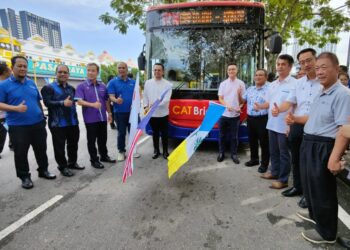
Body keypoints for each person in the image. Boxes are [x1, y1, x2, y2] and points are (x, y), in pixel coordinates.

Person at [295, 52, 350, 244]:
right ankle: (317, 218)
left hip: (323, 146)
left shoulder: (342, 94)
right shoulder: (322, 91)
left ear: (337, 68)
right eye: (317, 68)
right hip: (309, 142)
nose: (319, 71)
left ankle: (327, 233)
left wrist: (334, 157)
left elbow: (344, 129)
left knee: (323, 190)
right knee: (311, 186)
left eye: (324, 67)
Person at [272, 48, 321, 208]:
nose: (306, 64)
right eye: (302, 62)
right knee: (297, 160)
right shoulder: (299, 83)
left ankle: (309, 194)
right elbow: (290, 102)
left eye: (309, 60)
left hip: (317, 128)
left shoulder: (324, 82)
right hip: (297, 125)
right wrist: (280, 109)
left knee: (311, 163)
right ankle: (298, 187)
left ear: (316, 60)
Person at [0, 56, 56, 189]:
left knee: (41, 149)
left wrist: (42, 117)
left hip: (37, 123)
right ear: (12, 67)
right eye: (19, 66)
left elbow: (37, 100)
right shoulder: (4, 85)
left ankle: (43, 170)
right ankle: (24, 177)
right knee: (20, 153)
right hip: (18, 126)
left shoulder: (31, 83)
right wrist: (16, 108)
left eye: (25, 66)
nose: (22, 68)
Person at [257, 54, 297, 189]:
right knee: (273, 151)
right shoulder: (272, 84)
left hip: (285, 125)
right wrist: (260, 107)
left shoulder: (295, 84)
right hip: (272, 123)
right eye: (278, 64)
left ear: (290, 67)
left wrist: (279, 111)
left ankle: (283, 179)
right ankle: (274, 172)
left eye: (283, 64)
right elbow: (270, 102)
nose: (280, 66)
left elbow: (291, 103)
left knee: (284, 153)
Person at [41, 64, 85, 177]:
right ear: (56, 73)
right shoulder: (48, 88)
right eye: (60, 72)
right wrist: (62, 103)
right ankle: (63, 167)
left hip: (73, 122)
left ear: (68, 74)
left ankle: (72, 163)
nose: (62, 74)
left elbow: (76, 101)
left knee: (73, 144)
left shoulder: (71, 88)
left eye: (65, 72)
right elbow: (47, 103)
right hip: (57, 124)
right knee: (59, 147)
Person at [75, 63, 115, 169]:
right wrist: (92, 104)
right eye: (88, 70)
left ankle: (104, 156)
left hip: (102, 118)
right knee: (92, 141)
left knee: (103, 139)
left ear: (97, 72)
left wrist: (109, 113)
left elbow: (106, 101)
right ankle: (94, 160)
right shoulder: (81, 86)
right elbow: (79, 101)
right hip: (90, 119)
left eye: (93, 70)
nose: (90, 73)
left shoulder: (102, 86)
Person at [240, 69, 269, 173]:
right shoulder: (250, 89)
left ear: (266, 77)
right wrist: (238, 93)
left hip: (263, 119)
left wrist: (261, 107)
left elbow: (271, 102)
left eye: (261, 75)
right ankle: (254, 159)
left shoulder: (270, 89)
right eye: (256, 75)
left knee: (264, 142)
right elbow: (243, 100)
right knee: (252, 140)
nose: (258, 77)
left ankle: (264, 164)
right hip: (250, 118)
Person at [217, 63, 246, 164]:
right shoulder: (223, 84)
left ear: (237, 71)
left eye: (233, 69)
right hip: (223, 115)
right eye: (229, 70)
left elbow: (243, 101)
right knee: (221, 135)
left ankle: (234, 154)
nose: (231, 71)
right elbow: (220, 98)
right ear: (227, 71)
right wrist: (226, 105)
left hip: (235, 116)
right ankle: (221, 153)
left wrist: (240, 105)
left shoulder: (241, 83)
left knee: (234, 136)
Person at [143, 63, 172, 159]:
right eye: (155, 70)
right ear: (153, 71)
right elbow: (145, 96)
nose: (157, 72)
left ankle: (165, 152)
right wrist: (146, 107)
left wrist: (155, 105)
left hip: (163, 114)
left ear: (163, 72)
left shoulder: (168, 85)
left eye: (159, 70)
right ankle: (156, 151)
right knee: (154, 133)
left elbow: (166, 99)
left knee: (164, 134)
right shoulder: (148, 83)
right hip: (152, 114)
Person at [107, 62, 135, 161]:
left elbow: (137, 95)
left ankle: (133, 150)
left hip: (132, 113)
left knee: (132, 132)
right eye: (119, 68)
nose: (121, 69)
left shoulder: (133, 82)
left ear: (127, 69)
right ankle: (121, 151)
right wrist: (116, 100)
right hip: (119, 112)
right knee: (121, 133)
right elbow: (111, 97)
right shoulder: (112, 82)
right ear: (117, 69)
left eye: (123, 68)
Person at [0, 63, 11, 159]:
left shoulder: (8, 82)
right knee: (2, 134)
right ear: (5, 72)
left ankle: (12, 144)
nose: (11, 71)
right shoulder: (1, 84)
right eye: (9, 70)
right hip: (2, 116)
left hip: (7, 115)